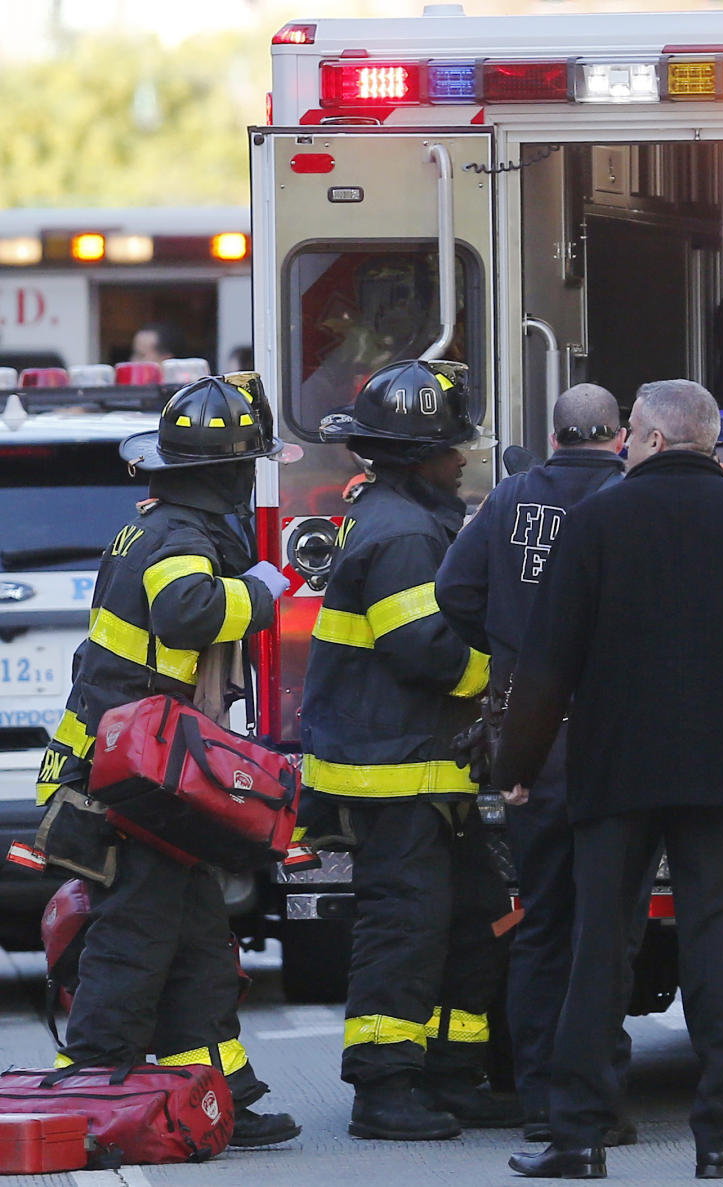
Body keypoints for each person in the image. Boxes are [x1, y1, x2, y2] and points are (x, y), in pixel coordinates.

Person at [493, 379, 723, 1180]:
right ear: (711, 443)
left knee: (600, 948)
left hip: (615, 771)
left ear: (641, 440)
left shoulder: (593, 524)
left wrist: (517, 766)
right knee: (720, 946)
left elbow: (548, 663)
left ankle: (576, 1137)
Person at [34, 374, 301, 1147]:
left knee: (195, 946)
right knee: (135, 940)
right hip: (136, 784)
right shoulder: (177, 537)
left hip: (151, 778)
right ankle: (91, 1098)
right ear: (225, 472)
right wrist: (261, 585)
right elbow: (190, 612)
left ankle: (218, 1092)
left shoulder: (156, 525)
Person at [299, 358, 516, 1141]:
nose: (462, 460)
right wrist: (507, 678)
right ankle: (384, 1088)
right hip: (391, 771)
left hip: (419, 767)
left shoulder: (401, 516)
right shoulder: (402, 533)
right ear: (419, 456)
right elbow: (425, 649)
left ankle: (454, 1074)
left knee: (477, 916)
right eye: (452, 449)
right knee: (406, 925)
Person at [436, 383, 650, 1146]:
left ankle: (537, 1096)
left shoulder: (509, 498)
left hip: (528, 738)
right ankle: (600, 1094)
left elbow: (454, 590)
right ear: (620, 434)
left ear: (552, 436)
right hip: (617, 739)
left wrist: (507, 645)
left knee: (541, 921)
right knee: (611, 928)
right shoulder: (634, 499)